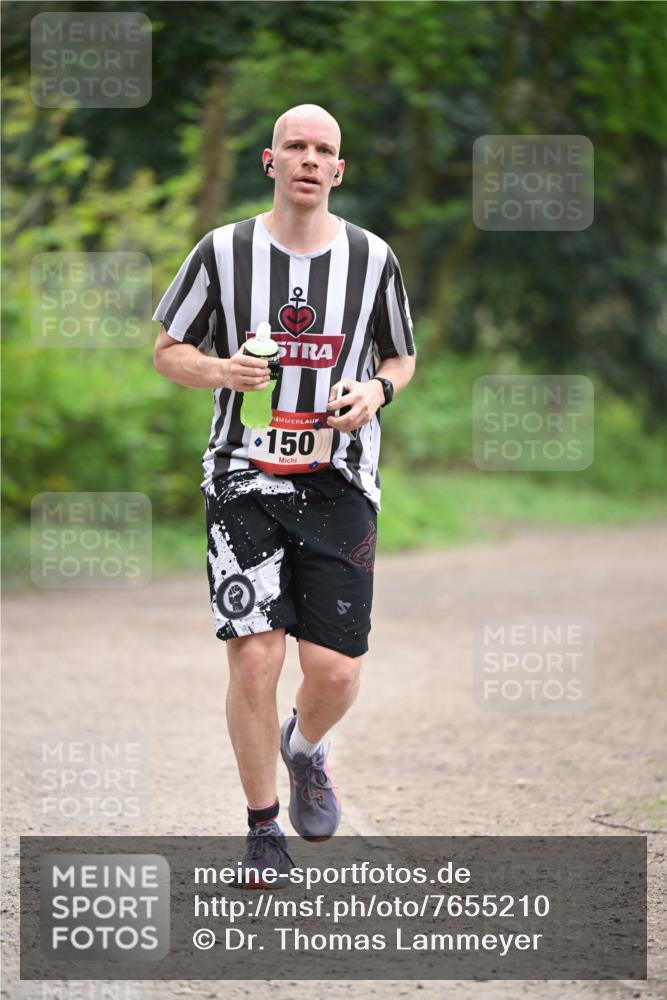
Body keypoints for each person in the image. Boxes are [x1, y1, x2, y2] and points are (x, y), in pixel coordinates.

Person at [152, 104, 416, 885]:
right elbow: (168, 351)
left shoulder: (372, 259)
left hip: (339, 480)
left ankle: (304, 750)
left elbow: (401, 358)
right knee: (255, 658)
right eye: (294, 146)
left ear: (339, 170)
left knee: (333, 669)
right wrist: (220, 371)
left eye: (323, 150)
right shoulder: (222, 251)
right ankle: (262, 831)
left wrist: (374, 391)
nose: (308, 159)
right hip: (242, 474)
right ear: (270, 161)